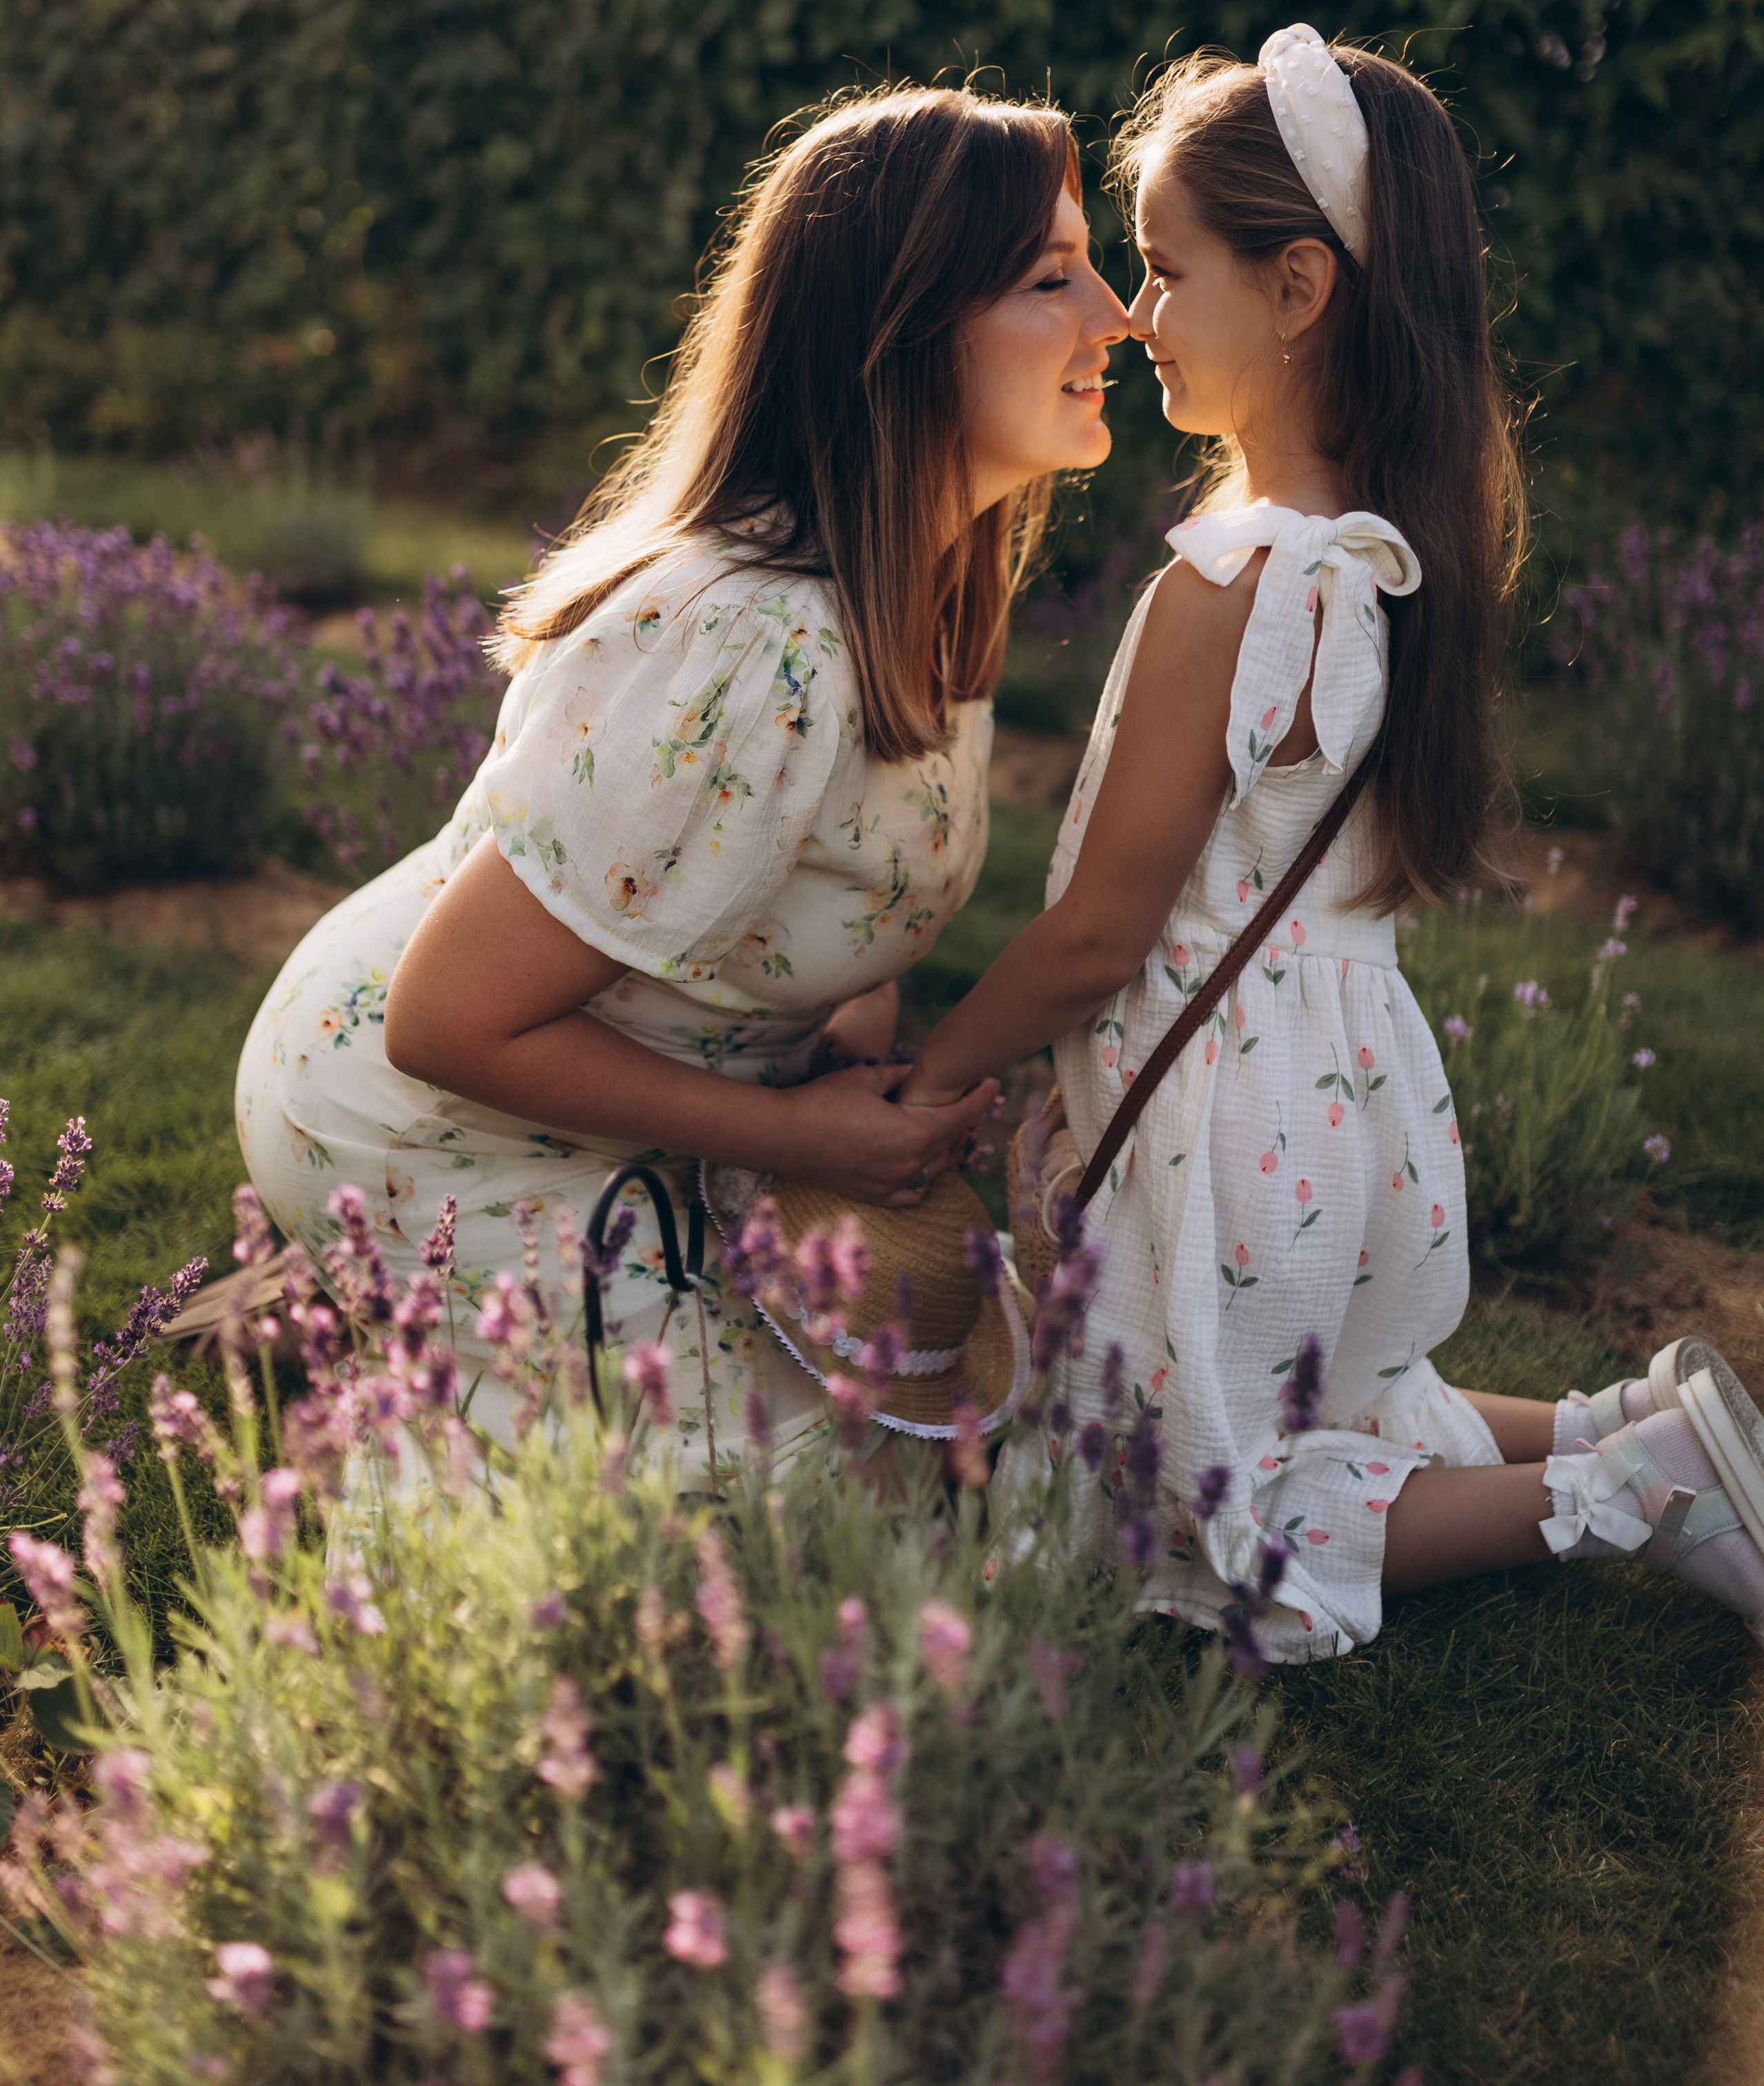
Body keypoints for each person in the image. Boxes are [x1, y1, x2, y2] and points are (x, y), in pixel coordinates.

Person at [900, 26, 1764, 1660]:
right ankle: (1604, 1428)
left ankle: (1635, 1486)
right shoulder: (1377, 560)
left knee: (1186, 1507)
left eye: (1163, 272)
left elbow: (1097, 932)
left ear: (1296, 290)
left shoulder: (1228, 585)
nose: (1133, 316)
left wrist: (946, 1066)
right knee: (1323, 1393)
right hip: (1337, 1083)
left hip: (1225, 1115)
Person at [235, 82, 1131, 1477]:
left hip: (658, 1099)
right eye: (1050, 278)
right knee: (783, 1519)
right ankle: (368, 1339)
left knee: (938, 1451)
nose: (1116, 315)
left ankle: (439, 1350)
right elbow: (444, 1019)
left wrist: (846, 1049)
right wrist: (785, 1129)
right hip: (427, 1113)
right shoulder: (746, 640)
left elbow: (844, 880)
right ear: (904, 340)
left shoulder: (939, 579)